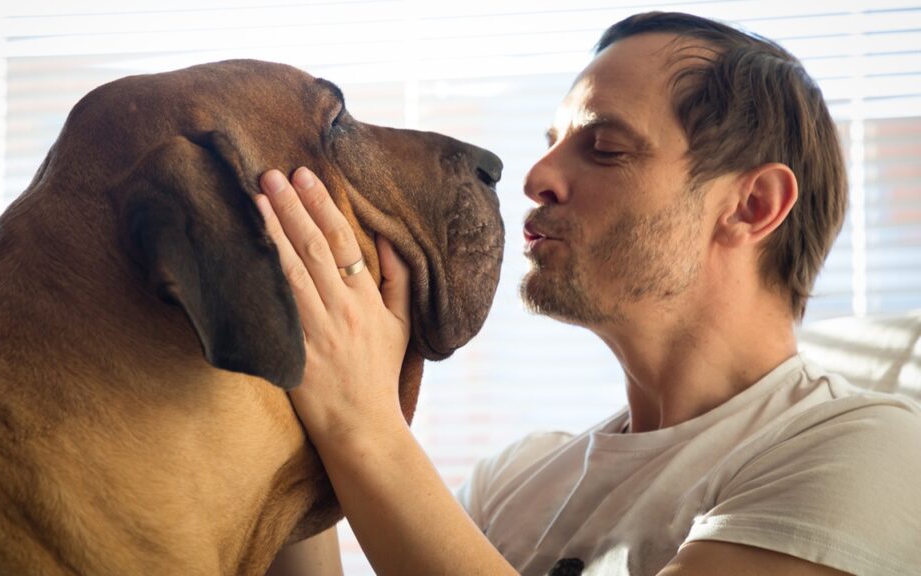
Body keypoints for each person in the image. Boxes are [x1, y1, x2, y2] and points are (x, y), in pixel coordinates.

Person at [259, 11, 921, 576]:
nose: (538, 175)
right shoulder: (513, 481)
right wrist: (304, 395)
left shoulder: (871, 451)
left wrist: (363, 421)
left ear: (752, 205)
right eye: (553, 144)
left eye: (605, 149)